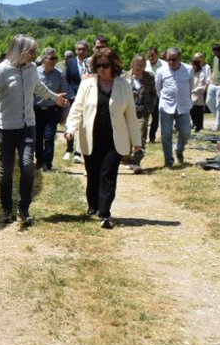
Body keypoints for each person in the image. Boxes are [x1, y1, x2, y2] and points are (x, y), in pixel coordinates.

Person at [0, 35, 69, 223]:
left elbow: (38, 88)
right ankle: (7, 209)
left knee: (27, 166)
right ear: (20, 50)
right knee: (6, 170)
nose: (35, 55)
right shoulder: (1, 70)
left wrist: (55, 97)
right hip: (5, 128)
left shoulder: (32, 69)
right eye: (31, 51)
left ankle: (24, 209)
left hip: (27, 126)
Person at [65, 47, 141, 229]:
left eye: (105, 65)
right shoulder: (87, 84)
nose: (101, 69)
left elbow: (131, 115)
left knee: (108, 174)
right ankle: (93, 206)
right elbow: (77, 108)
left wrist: (137, 142)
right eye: (97, 65)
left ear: (113, 65)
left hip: (114, 140)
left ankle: (105, 212)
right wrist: (70, 129)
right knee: (93, 175)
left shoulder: (124, 85)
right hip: (91, 137)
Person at [155, 47, 193, 168]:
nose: (171, 62)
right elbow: (158, 88)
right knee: (166, 134)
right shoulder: (161, 71)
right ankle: (169, 160)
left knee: (185, 131)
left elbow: (190, 86)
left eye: (174, 60)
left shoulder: (189, 69)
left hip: (183, 105)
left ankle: (179, 149)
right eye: (168, 60)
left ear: (180, 59)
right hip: (166, 105)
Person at [34, 48, 67, 172]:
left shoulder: (59, 74)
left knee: (49, 138)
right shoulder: (35, 73)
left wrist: (64, 112)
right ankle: (39, 161)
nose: (54, 61)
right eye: (51, 58)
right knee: (38, 137)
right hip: (36, 110)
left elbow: (63, 93)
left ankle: (47, 164)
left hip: (52, 111)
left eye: (55, 58)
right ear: (44, 59)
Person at [126, 54, 156, 173]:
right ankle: (126, 158)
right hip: (127, 112)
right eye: (138, 64)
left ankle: (136, 161)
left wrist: (150, 107)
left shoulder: (149, 77)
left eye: (143, 64)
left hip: (142, 111)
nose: (140, 67)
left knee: (141, 136)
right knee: (126, 137)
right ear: (132, 63)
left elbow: (153, 93)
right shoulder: (124, 76)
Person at [63, 40, 90, 161]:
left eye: (83, 49)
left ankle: (79, 152)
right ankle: (69, 150)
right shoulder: (70, 63)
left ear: (87, 50)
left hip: (88, 98)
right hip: (73, 97)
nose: (80, 51)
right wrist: (71, 95)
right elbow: (66, 81)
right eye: (78, 49)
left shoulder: (92, 62)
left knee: (84, 125)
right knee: (71, 123)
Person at [145, 46, 163, 143]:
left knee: (155, 117)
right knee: (144, 116)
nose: (151, 58)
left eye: (152, 56)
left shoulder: (163, 65)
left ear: (157, 55)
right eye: (149, 56)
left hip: (157, 93)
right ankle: (142, 137)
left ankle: (152, 137)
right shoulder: (145, 64)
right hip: (146, 94)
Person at [190, 52, 211, 132]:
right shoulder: (190, 72)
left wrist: (197, 90)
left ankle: (199, 126)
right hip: (190, 93)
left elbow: (203, 83)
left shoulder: (202, 73)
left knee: (198, 109)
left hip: (198, 93)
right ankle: (194, 123)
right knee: (191, 109)